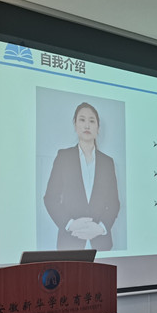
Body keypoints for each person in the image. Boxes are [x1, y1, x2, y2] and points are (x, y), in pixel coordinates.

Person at [44, 102, 120, 250]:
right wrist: (70, 224)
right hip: (70, 242)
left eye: (92, 121)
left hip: (101, 244)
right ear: (75, 125)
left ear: (98, 128)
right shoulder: (63, 157)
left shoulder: (107, 162)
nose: (87, 125)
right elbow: (50, 198)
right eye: (82, 120)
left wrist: (101, 228)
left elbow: (114, 203)